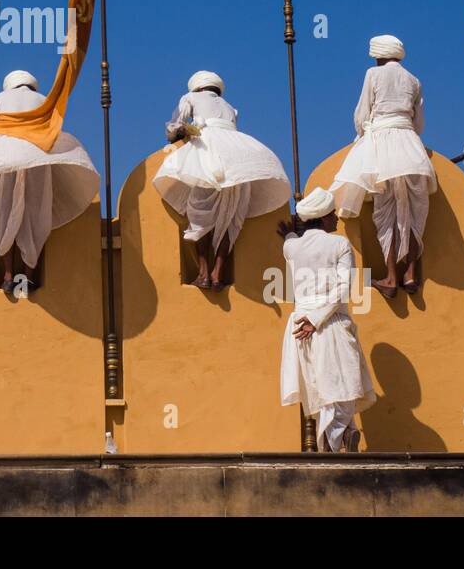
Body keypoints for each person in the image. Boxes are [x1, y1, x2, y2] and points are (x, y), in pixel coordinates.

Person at [0, 70, 100, 293]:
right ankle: (29, 277)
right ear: (32, 85)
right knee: (35, 216)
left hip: (5, 162)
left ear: (10, 85)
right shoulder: (44, 101)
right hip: (37, 163)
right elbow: (53, 131)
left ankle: (7, 275)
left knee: (3, 214)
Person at [152, 70, 290, 288]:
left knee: (198, 215)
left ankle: (203, 273)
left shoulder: (190, 98)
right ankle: (218, 274)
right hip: (237, 160)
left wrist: (180, 133)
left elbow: (174, 128)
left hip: (208, 155)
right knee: (229, 217)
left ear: (196, 87)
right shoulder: (229, 107)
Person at [330, 35, 436, 298]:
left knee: (385, 212)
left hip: (381, 147)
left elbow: (362, 114)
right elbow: (419, 124)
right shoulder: (414, 80)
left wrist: (364, 132)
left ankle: (390, 277)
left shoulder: (373, 74)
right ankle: (410, 274)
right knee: (414, 211)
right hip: (411, 149)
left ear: (378, 55)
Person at [278, 187, 375, 453]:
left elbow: (289, 241)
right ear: (323, 217)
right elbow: (344, 289)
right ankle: (337, 440)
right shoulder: (339, 244)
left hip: (300, 325)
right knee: (340, 385)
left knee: (321, 389)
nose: (337, 219)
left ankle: (343, 436)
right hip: (328, 322)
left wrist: (289, 232)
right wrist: (317, 320)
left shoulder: (291, 247)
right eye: (333, 214)